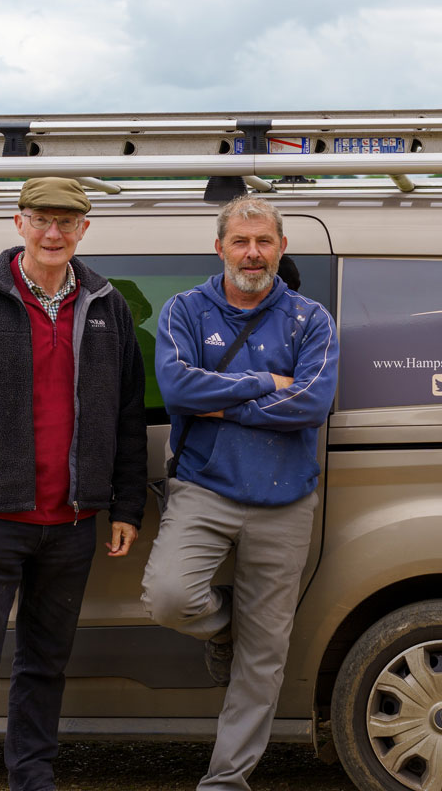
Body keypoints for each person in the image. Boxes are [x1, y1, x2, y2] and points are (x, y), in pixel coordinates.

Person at [0, 177, 148, 791]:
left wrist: (126, 504)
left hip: (72, 525)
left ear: (84, 230)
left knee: (45, 663)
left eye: (66, 223)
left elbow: (128, 416)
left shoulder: (107, 306)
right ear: (18, 223)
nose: (53, 233)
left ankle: (32, 774)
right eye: (42, 220)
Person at [141, 195, 338, 791]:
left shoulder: (312, 319)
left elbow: (311, 403)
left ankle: (226, 781)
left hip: (286, 500)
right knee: (169, 597)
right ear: (220, 246)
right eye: (240, 241)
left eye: (264, 242)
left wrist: (221, 402)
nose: (252, 253)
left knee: (264, 656)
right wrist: (262, 383)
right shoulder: (184, 310)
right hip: (206, 489)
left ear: (281, 248)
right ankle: (227, 626)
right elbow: (175, 385)